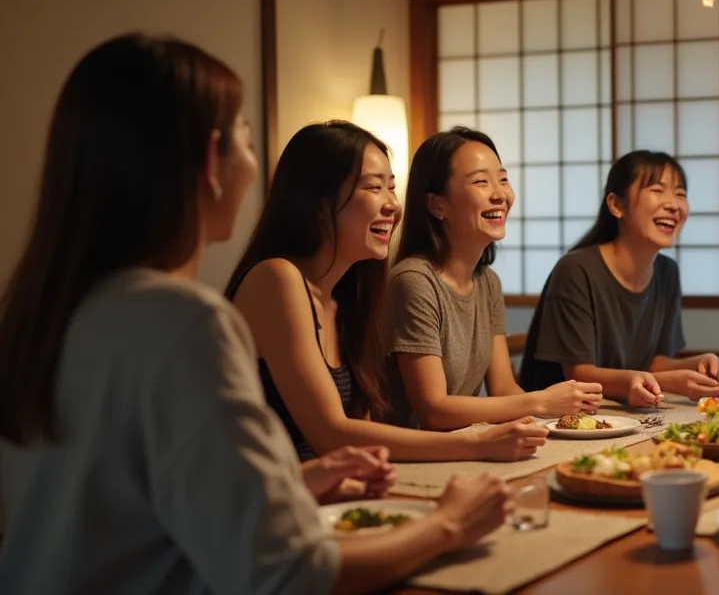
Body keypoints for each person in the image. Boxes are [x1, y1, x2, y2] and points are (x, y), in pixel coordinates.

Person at [0, 34, 514, 594]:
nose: (253, 167)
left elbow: (126, 501)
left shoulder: (48, 309)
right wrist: (451, 523)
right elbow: (288, 572)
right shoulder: (181, 319)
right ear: (209, 163)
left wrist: (297, 479)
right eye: (246, 139)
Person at [226, 120, 546, 462]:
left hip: (336, 488)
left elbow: (360, 425)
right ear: (320, 205)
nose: (392, 204)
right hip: (269, 500)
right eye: (373, 187)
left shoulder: (349, 295)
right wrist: (479, 444)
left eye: (391, 188)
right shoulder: (278, 279)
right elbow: (331, 434)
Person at [384, 127, 604, 430]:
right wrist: (538, 401)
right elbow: (433, 411)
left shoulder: (488, 283)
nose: (500, 194)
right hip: (415, 456)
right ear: (436, 204)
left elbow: (503, 388)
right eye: (481, 182)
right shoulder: (414, 281)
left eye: (502, 179)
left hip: (471, 443)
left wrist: (557, 416)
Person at [517, 150, 719, 406]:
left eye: (680, 194)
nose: (673, 204)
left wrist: (695, 366)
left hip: (623, 412)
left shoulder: (667, 272)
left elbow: (655, 363)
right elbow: (579, 374)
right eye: (657, 190)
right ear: (617, 205)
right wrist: (669, 381)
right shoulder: (576, 269)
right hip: (560, 419)